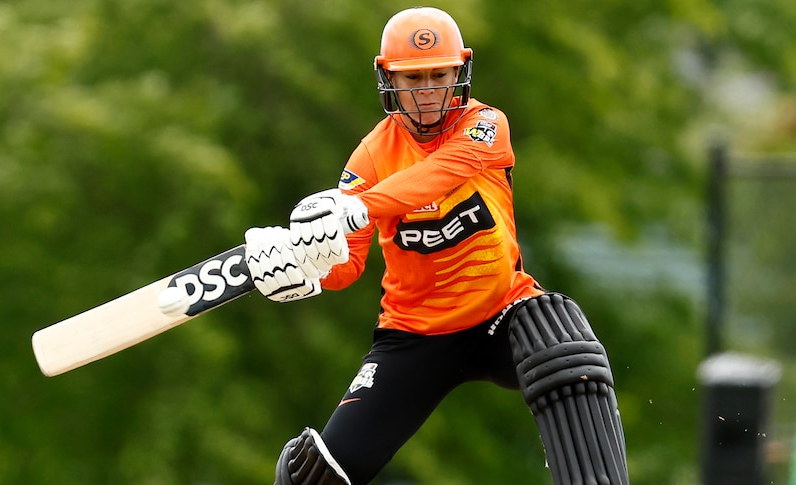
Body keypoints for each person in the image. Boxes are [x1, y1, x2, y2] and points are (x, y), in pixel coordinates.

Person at [243, 6, 630, 485]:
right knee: (315, 475)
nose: (427, 91)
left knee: (566, 348)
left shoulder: (485, 125)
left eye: (438, 75)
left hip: (501, 315)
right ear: (388, 79)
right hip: (414, 334)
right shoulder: (369, 158)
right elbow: (347, 267)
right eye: (413, 78)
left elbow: (444, 171)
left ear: (460, 71)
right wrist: (304, 269)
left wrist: (363, 205)